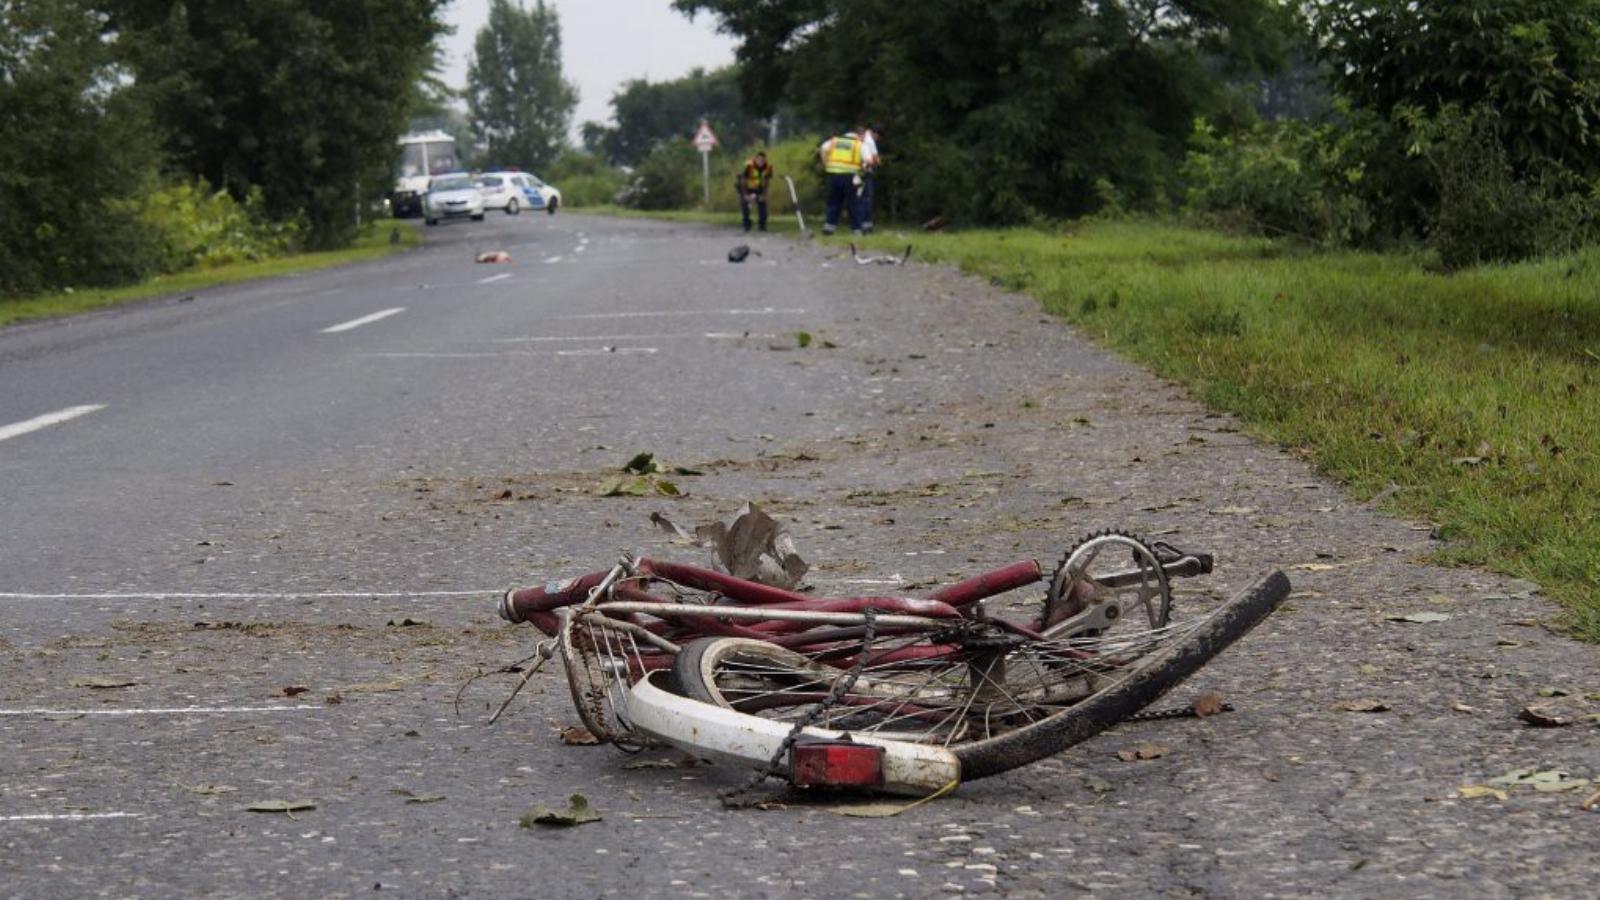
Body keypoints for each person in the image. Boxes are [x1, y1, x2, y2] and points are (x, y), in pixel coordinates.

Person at [818, 130, 866, 235]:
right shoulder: (858, 144)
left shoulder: (834, 141)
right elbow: (868, 159)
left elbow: (823, 149)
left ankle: (829, 228)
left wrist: (826, 164)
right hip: (850, 176)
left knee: (833, 202)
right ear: (857, 136)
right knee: (853, 203)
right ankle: (856, 229)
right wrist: (863, 167)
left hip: (833, 175)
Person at [735, 151, 773, 232]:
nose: (761, 162)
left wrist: (764, 194)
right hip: (745, 188)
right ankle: (746, 225)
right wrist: (746, 195)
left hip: (758, 188)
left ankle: (762, 225)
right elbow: (743, 181)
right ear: (756, 159)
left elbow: (766, 182)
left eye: (763, 160)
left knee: (763, 205)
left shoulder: (768, 167)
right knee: (745, 206)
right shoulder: (749, 166)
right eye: (759, 160)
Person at [858, 125, 880, 234]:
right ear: (875, 134)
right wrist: (877, 163)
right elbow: (874, 159)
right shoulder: (869, 140)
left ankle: (865, 224)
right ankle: (865, 226)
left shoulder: (862, 140)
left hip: (858, 172)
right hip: (865, 172)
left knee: (862, 199)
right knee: (866, 199)